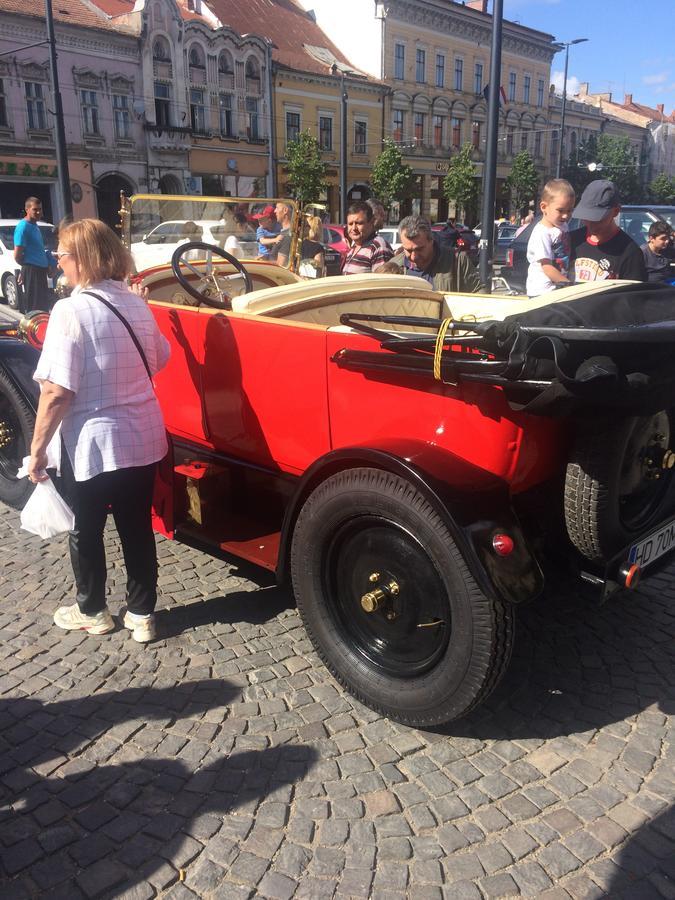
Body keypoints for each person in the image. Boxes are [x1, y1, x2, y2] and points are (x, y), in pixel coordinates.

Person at [27, 219, 170, 643]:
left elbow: (55, 391)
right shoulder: (136, 303)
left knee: (85, 527)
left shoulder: (71, 310)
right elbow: (160, 358)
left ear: (83, 259)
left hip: (91, 442)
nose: (58, 264)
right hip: (142, 435)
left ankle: (93, 609)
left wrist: (36, 450)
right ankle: (142, 614)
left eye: (62, 255)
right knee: (136, 526)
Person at [570, 179, 647, 282]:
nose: (589, 223)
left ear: (615, 211)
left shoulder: (631, 253)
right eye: (586, 217)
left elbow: (632, 296)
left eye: (597, 219)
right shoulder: (571, 240)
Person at [391, 215, 483, 293]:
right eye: (408, 250)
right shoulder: (394, 265)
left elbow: (479, 294)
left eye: (420, 249)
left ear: (431, 240)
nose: (414, 257)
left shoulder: (457, 261)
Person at [525, 178, 575, 297]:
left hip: (558, 288)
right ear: (543, 207)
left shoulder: (563, 226)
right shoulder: (542, 233)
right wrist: (568, 285)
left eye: (570, 210)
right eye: (560, 210)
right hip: (542, 291)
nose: (565, 215)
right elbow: (546, 267)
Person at [13, 196, 54, 313]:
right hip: (32, 271)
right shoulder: (23, 227)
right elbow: (17, 255)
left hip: (40, 271)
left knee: (43, 306)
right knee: (35, 308)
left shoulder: (34, 225)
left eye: (40, 209)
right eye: (35, 209)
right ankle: (34, 331)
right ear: (27, 210)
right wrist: (26, 268)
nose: (38, 212)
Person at [342, 201, 393, 274]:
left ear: (371, 222)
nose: (354, 228)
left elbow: (383, 281)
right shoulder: (354, 248)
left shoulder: (378, 247)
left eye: (359, 223)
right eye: (350, 224)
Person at [273, 202, 294, 267]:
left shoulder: (288, 235)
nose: (274, 211)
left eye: (277, 208)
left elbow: (281, 265)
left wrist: (261, 262)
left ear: (285, 210)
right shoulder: (286, 233)